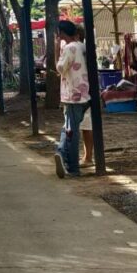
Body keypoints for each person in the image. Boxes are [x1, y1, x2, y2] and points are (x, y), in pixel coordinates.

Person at [54, 20, 90, 179]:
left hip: (72, 94)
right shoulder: (82, 46)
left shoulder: (69, 48)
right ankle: (61, 153)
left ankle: (71, 165)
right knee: (68, 127)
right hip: (84, 93)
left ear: (61, 33)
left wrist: (57, 50)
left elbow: (60, 68)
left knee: (71, 131)